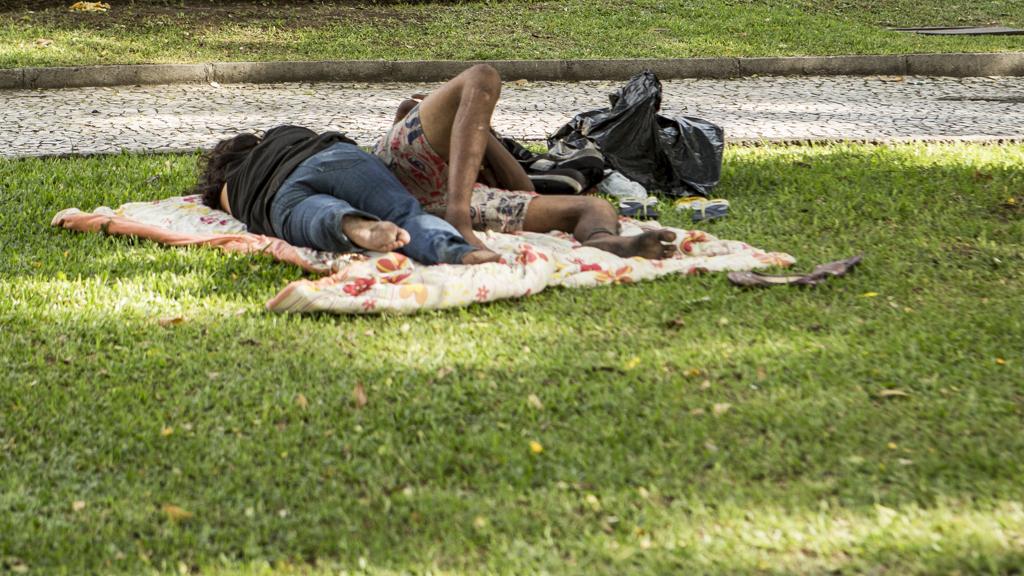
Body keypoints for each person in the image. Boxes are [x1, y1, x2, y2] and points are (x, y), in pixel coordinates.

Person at [376, 64, 678, 260]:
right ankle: (457, 219)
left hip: (456, 201)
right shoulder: (427, 119)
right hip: (404, 180)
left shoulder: (483, 141)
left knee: (596, 207)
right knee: (483, 75)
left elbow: (522, 188)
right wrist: (454, 114)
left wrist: (487, 139)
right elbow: (406, 108)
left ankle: (602, 241)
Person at [193, 126, 501, 266]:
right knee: (405, 212)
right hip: (334, 156)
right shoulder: (283, 133)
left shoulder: (228, 188)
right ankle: (458, 250)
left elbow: (247, 211)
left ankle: (351, 225)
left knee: (314, 216)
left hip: (279, 194)